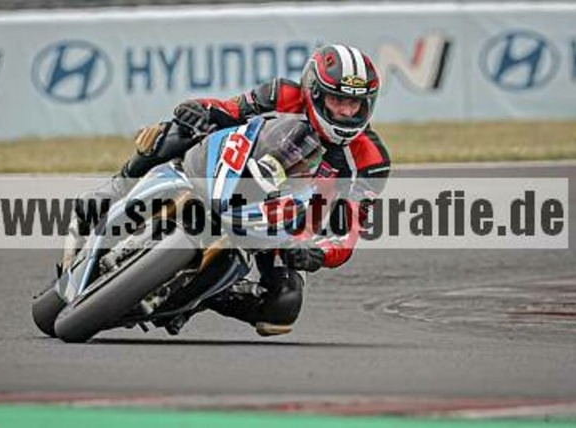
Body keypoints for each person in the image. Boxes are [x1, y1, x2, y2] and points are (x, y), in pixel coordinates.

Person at [65, 44, 391, 337]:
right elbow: (228, 110)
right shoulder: (281, 94)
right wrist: (199, 109)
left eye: (355, 103)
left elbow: (347, 232)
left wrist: (315, 252)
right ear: (315, 93)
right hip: (231, 172)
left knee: (282, 307)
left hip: (285, 222)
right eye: (338, 100)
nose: (346, 112)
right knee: (175, 131)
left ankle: (198, 296)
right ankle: (114, 189)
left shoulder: (372, 161)